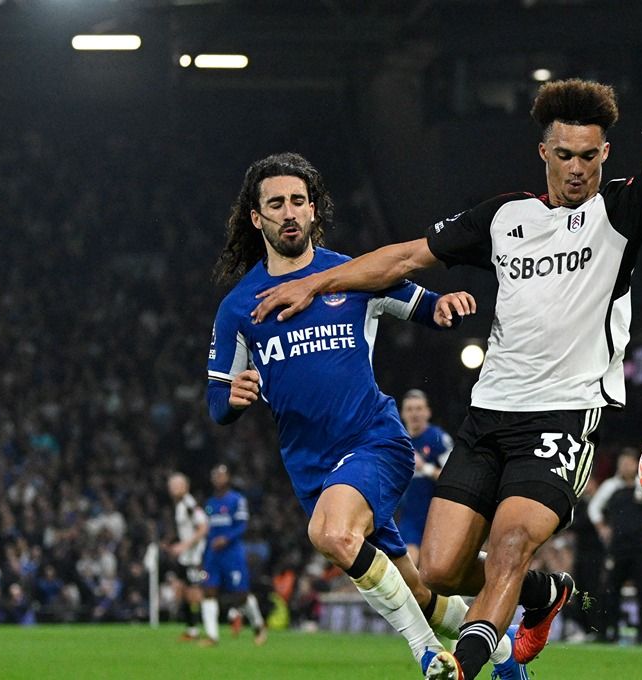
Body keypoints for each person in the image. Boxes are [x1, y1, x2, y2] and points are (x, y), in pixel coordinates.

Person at [250, 11, 642, 679]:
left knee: (511, 542)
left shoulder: (619, 212)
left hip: (563, 415)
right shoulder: (505, 219)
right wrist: (317, 281)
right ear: (544, 153)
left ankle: (466, 665)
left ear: (605, 155)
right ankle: (543, 595)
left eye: (591, 156)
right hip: (488, 414)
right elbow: (407, 257)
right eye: (566, 155)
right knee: (439, 566)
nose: (579, 169)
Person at [206, 152, 526, 679]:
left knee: (329, 534)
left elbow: (421, 303)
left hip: (374, 442)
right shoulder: (239, 307)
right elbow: (217, 401)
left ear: (313, 211)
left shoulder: (350, 275)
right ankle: (506, 656)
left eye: (298, 201)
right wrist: (233, 396)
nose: (289, 212)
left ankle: (428, 655)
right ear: (255, 218)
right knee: (419, 593)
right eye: (275, 204)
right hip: (312, 468)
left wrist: (443, 308)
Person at [587, 448, 642, 646]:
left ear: (636, 464)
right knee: (610, 590)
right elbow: (593, 508)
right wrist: (602, 528)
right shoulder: (610, 486)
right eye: (622, 462)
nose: (624, 466)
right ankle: (607, 631)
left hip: (641, 547)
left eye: (628, 462)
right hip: (618, 547)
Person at [198, 465, 267, 646]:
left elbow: (242, 525)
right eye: (215, 475)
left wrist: (226, 539)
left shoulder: (237, 500)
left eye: (221, 475)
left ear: (228, 478)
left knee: (241, 595)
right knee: (208, 591)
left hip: (232, 553)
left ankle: (258, 625)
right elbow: (206, 530)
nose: (218, 478)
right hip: (213, 555)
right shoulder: (210, 503)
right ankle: (212, 636)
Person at [396, 390, 454, 563]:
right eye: (410, 409)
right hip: (409, 518)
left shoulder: (438, 439)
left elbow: (453, 478)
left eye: (419, 408)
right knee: (409, 565)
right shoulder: (397, 443)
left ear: (427, 412)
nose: (415, 413)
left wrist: (425, 468)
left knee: (437, 571)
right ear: (403, 413)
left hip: (437, 517)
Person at [167, 472, 209, 641]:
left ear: (185, 486)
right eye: (171, 485)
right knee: (183, 590)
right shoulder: (180, 505)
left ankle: (210, 627)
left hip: (195, 557)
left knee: (195, 593)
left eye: (176, 485)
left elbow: (203, 527)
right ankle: (191, 630)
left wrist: (185, 545)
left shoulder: (189, 504)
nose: (172, 488)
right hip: (186, 557)